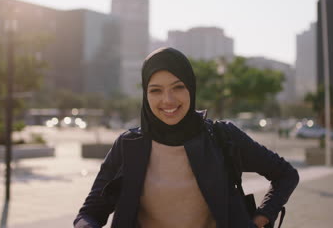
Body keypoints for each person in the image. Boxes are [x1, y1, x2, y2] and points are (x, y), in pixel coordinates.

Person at [74, 47, 299, 228]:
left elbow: (286, 175)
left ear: (191, 88)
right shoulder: (128, 145)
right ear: (145, 94)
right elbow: (90, 213)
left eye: (178, 87)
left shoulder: (222, 137)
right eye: (156, 90)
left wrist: (262, 217)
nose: (168, 100)